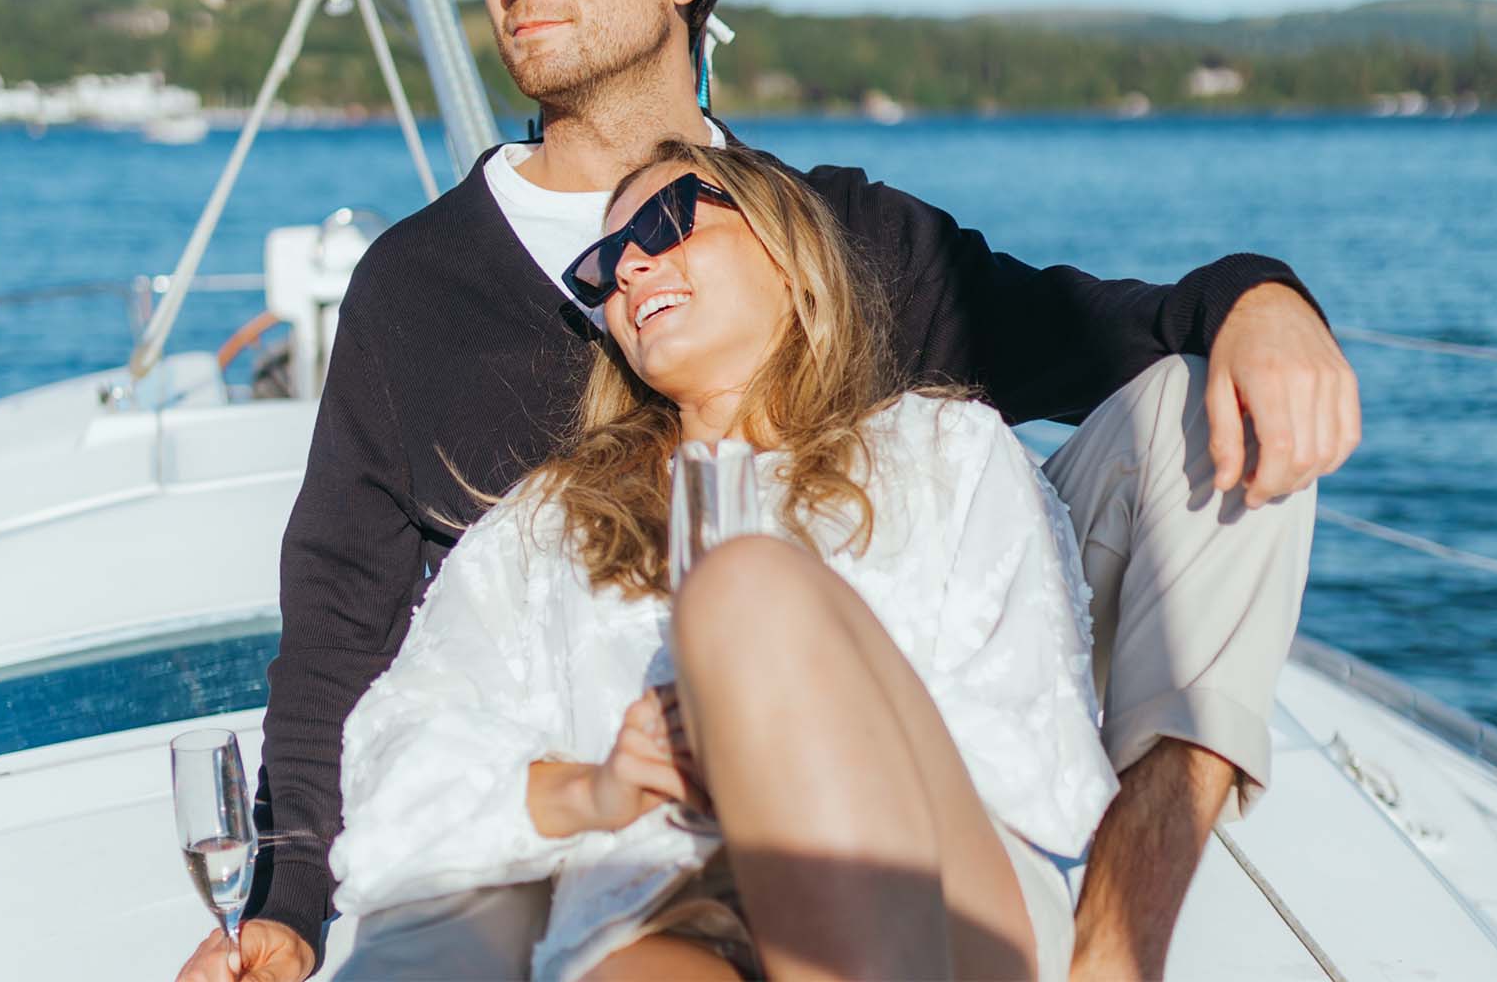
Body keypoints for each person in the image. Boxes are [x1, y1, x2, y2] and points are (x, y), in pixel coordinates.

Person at [174, 0, 1359, 979]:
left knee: (1208, 415)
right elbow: (340, 626)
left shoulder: (849, 245)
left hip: (888, 773)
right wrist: (289, 906)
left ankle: (1113, 956)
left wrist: (1256, 297)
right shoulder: (417, 295)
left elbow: (1087, 328)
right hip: (597, 800)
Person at [332, 139, 1120, 982]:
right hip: (669, 899)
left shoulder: (940, 450)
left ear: (789, 254)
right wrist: (596, 788)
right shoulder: (552, 524)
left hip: (927, 879)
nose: (630, 269)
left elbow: (1032, 740)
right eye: (601, 268)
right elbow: (395, 760)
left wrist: (779, 737)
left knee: (745, 591)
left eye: (666, 221)